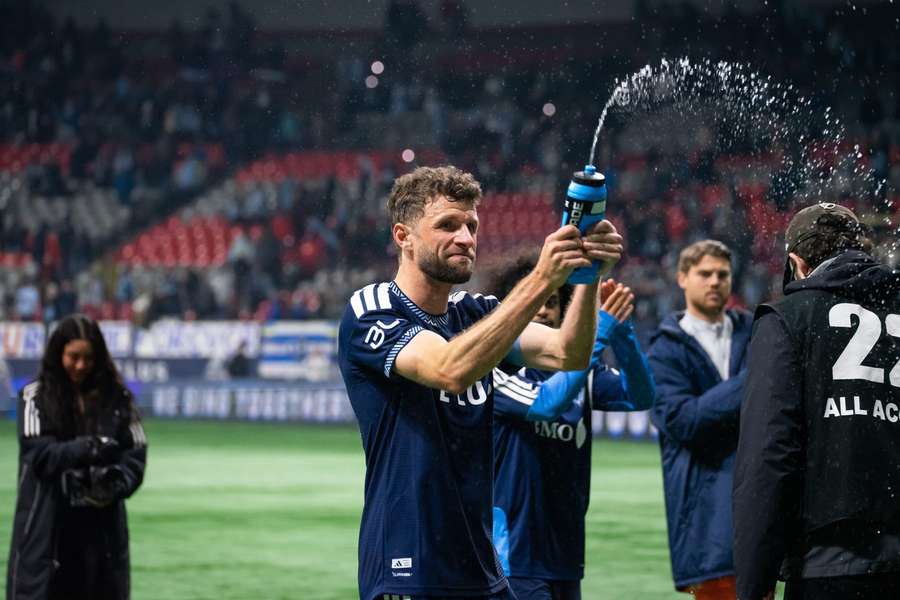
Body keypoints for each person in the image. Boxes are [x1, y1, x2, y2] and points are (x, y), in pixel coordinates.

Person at [337, 165, 623, 600]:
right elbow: (449, 370)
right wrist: (543, 277)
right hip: (408, 566)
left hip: (482, 567)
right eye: (447, 225)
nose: (465, 238)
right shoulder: (372, 308)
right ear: (403, 236)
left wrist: (587, 275)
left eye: (471, 225)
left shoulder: (475, 312)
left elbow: (569, 352)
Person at [733, 203, 900, 600]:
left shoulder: (787, 318)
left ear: (797, 263)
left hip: (826, 565)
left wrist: (755, 581)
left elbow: (768, 456)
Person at [488, 255, 656, 600]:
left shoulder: (580, 373)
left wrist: (622, 334)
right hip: (515, 556)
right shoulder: (496, 370)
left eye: (550, 302)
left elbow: (640, 396)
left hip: (565, 553)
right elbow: (546, 404)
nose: (541, 311)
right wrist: (598, 332)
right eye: (532, 301)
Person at [6, 315, 147, 600]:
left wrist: (114, 485)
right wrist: (89, 448)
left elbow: (136, 453)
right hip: (47, 531)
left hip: (102, 535)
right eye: (74, 357)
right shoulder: (35, 397)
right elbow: (39, 455)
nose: (81, 365)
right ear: (58, 353)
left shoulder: (118, 399)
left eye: (89, 358)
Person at [646, 240, 753, 600]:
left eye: (722, 274)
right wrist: (754, 380)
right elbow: (684, 422)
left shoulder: (755, 330)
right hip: (704, 518)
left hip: (758, 507)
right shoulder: (664, 348)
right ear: (682, 278)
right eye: (704, 274)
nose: (715, 281)